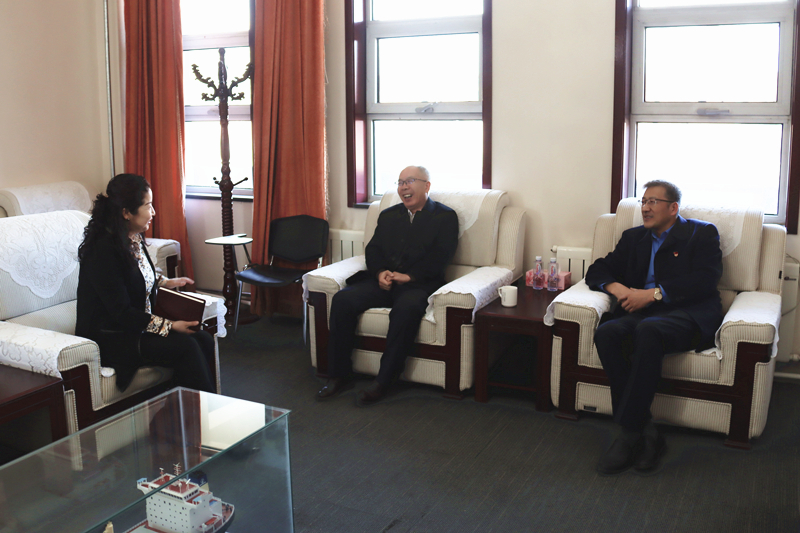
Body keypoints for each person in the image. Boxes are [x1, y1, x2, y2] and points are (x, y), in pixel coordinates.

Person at [585, 180, 723, 475]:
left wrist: (654, 294)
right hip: (643, 313)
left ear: (673, 208)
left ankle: (629, 434)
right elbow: (598, 269)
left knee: (649, 330)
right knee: (608, 332)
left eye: (653, 202)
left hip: (688, 313)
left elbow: (705, 280)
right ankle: (648, 432)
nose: (645, 208)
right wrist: (619, 289)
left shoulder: (701, 233)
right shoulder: (634, 237)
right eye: (643, 201)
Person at [316, 166, 459, 406]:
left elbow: (441, 256)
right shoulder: (389, 215)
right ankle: (339, 375)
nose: (403, 187)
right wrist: (380, 272)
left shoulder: (445, 217)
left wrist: (409, 277)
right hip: (384, 281)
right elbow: (373, 250)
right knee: (343, 300)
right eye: (400, 182)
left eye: (410, 181)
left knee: (406, 309)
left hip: (418, 285)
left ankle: (383, 381)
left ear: (426, 185)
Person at [76, 173, 216, 393]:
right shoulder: (102, 250)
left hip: (135, 327)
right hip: (113, 337)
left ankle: (184, 404)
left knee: (203, 339)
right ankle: (197, 408)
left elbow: (136, 276)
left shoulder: (132, 236)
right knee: (186, 346)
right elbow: (121, 313)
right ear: (126, 213)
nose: (153, 212)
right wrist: (169, 326)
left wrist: (165, 282)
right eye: (148, 206)